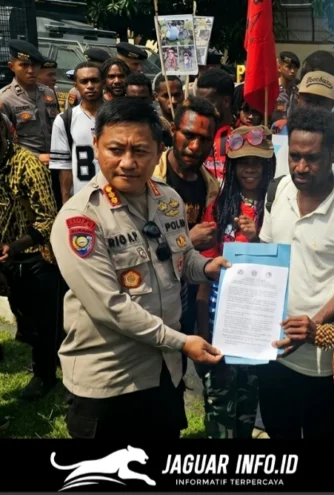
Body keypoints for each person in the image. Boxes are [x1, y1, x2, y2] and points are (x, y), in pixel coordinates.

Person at [49, 98, 229, 439]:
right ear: (96, 145)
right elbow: (110, 308)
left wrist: (208, 267)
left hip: (164, 373)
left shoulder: (168, 199)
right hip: (110, 381)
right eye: (116, 149)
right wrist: (180, 342)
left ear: (159, 149)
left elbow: (181, 258)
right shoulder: (80, 220)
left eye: (141, 151)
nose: (128, 163)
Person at [256, 106, 334, 455]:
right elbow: (265, 255)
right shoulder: (276, 192)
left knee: (320, 445)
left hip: (320, 362)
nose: (301, 168)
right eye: (294, 156)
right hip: (271, 353)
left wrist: (313, 326)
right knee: (280, 439)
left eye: (312, 159)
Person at [194, 125, 275, 438]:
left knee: (247, 406)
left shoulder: (276, 206)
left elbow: (282, 266)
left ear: (269, 165)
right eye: (243, 161)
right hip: (220, 326)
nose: (250, 167)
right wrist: (203, 331)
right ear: (232, 165)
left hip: (259, 327)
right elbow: (204, 271)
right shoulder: (220, 205)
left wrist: (258, 241)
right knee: (220, 408)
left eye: (257, 161)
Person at [152, 97, 221, 365]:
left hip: (187, 296)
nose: (195, 147)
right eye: (188, 135)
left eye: (204, 139)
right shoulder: (149, 177)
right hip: (151, 296)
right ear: (173, 130)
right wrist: (188, 241)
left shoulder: (210, 186)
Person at [0, 113, 62, 400]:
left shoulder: (27, 165)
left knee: (44, 323)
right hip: (7, 259)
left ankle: (45, 376)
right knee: (25, 321)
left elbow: (48, 219)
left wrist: (14, 246)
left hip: (34, 255)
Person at [0, 40, 60, 204]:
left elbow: (58, 128)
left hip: (55, 167)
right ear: (12, 67)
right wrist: (36, 157)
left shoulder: (48, 93)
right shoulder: (5, 99)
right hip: (26, 171)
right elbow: (4, 144)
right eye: (24, 65)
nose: (31, 70)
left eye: (35, 65)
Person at [49, 62, 104, 205]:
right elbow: (64, 167)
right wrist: (66, 204)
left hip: (116, 198)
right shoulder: (64, 120)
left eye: (95, 80)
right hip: (82, 200)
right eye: (84, 81)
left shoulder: (118, 116)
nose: (90, 85)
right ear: (76, 85)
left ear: (103, 82)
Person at [195, 68, 235, 182]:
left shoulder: (243, 137)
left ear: (226, 101)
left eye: (207, 102)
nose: (201, 108)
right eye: (199, 102)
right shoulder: (193, 137)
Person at [271, 51, 300, 123]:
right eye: (289, 67)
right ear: (279, 68)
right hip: (275, 131)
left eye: (295, 68)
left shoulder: (297, 92)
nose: (293, 71)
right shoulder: (272, 90)